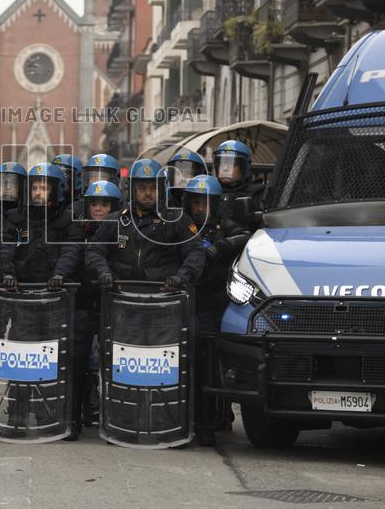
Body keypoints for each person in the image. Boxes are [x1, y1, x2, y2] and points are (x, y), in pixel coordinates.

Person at [0, 163, 83, 437]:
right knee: (22, 360)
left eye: (44, 187)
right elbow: (5, 249)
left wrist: (60, 275)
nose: (38, 192)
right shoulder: (15, 219)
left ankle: (51, 418)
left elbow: (71, 251)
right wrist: (8, 274)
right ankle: (17, 418)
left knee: (54, 360)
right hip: (23, 300)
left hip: (54, 301)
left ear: (55, 191)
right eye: (34, 187)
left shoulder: (67, 221)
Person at [181, 175, 250, 447]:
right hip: (186, 303)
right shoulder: (182, 225)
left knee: (208, 367)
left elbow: (246, 236)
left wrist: (219, 248)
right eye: (196, 202)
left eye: (205, 203)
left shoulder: (223, 225)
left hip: (214, 303)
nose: (200, 208)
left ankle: (209, 424)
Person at [57, 179, 122, 438]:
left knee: (115, 362)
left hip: (114, 304)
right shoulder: (78, 229)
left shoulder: (122, 230)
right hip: (82, 302)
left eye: (104, 204)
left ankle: (117, 418)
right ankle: (73, 419)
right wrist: (59, 276)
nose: (98, 209)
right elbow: (70, 255)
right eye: (94, 203)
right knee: (76, 359)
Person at [85, 158, 206, 292]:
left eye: (153, 187)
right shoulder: (116, 220)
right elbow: (94, 250)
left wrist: (181, 277)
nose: (148, 193)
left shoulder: (178, 220)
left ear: (161, 189)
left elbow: (195, 252)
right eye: (142, 188)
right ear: (132, 189)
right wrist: (103, 272)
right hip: (121, 296)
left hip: (165, 298)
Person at [213, 140, 264, 233]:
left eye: (231, 163)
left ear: (244, 166)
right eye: (221, 163)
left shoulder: (257, 193)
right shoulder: (211, 190)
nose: (224, 168)